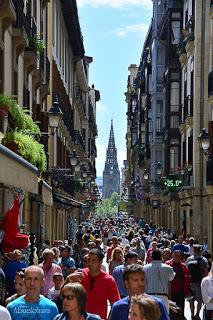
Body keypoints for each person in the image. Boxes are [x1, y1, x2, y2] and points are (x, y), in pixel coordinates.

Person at [67, 248, 120, 319]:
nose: (90, 263)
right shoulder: (78, 275)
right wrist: (68, 279)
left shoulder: (109, 280)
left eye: (94, 260)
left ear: (100, 262)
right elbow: (63, 295)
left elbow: (115, 304)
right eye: (88, 260)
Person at [186, 244, 209, 319]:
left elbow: (186, 271)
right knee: (200, 300)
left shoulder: (189, 259)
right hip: (200, 283)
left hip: (190, 283)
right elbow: (206, 272)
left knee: (191, 300)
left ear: (193, 250)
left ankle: (192, 315)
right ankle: (197, 314)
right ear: (200, 250)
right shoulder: (204, 260)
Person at [166, 250, 190, 317]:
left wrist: (186, 291)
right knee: (170, 311)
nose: (177, 257)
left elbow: (187, 279)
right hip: (170, 292)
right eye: (176, 255)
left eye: (179, 256)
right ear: (173, 255)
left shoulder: (184, 266)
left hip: (180, 292)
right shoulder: (167, 264)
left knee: (180, 310)